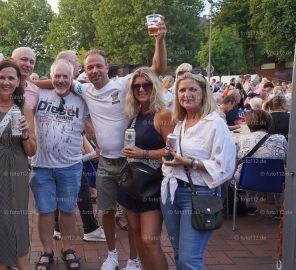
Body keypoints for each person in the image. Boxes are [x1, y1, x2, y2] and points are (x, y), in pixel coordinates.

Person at [73, 19, 167, 270]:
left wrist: (159, 39)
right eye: (89, 67)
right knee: (106, 211)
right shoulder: (84, 89)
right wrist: (25, 83)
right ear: (85, 71)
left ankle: (134, 260)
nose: (94, 70)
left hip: (131, 162)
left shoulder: (124, 83)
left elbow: (156, 69)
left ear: (107, 67)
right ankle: (112, 254)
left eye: (98, 66)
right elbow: (56, 82)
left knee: (131, 214)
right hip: (105, 162)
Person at [160, 72, 236, 269]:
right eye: (182, 90)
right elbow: (172, 153)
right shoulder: (180, 123)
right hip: (172, 192)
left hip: (199, 194)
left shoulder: (215, 123)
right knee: (178, 254)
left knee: (189, 259)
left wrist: (188, 162)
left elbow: (225, 166)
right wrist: (168, 159)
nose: (187, 94)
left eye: (192, 89)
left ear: (203, 93)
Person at [30, 59, 88, 270]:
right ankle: (46, 251)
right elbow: (25, 83)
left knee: (67, 209)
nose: (61, 80)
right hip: (41, 165)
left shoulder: (82, 97)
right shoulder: (39, 93)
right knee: (44, 211)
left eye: (66, 76)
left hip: (70, 165)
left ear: (72, 78)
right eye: (57, 76)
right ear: (51, 76)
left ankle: (68, 248)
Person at [0, 60, 36, 269]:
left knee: (18, 223)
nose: (6, 82)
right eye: (2, 77)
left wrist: (24, 134)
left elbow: (32, 150)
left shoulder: (24, 107)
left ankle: (22, 263)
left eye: (11, 78)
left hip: (18, 172)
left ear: (18, 81)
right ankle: (0, 265)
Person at [119, 67, 174, 270]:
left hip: (153, 186)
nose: (141, 89)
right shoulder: (135, 115)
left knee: (150, 241)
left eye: (146, 85)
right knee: (136, 236)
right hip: (133, 185)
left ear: (155, 87)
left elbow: (172, 151)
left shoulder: (163, 115)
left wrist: (143, 154)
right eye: (136, 86)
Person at [51, 50, 106, 243]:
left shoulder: (72, 88)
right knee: (80, 187)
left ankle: (61, 228)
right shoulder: (73, 88)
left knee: (74, 187)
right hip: (70, 151)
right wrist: (99, 144)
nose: (80, 66)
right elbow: (85, 124)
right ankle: (88, 227)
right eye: (76, 62)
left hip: (68, 149)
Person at [234, 109, 287, 217]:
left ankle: (251, 206)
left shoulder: (242, 139)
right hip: (275, 180)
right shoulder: (280, 139)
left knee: (248, 168)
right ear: (268, 122)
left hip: (247, 180)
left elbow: (236, 157)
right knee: (281, 170)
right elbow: (287, 158)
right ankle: (279, 208)